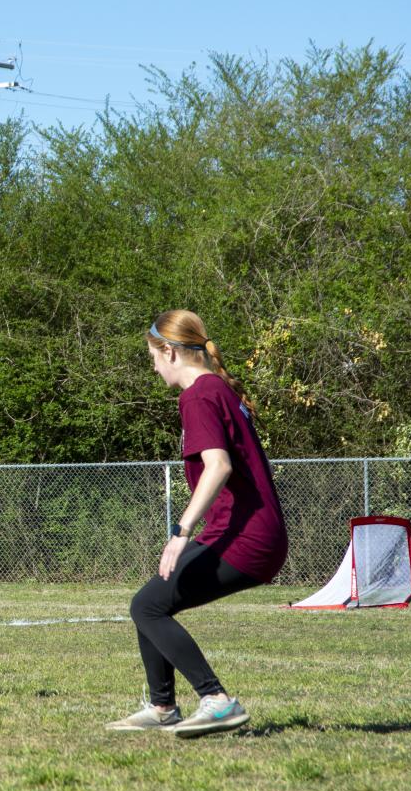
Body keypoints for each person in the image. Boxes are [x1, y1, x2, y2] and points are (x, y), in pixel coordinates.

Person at [106, 310, 287, 737]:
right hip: (256, 532)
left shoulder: (199, 395)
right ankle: (162, 705)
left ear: (169, 351)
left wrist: (180, 531)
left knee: (147, 606)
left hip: (247, 536)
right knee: (152, 600)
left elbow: (218, 466)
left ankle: (217, 700)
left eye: (152, 355)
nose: (151, 365)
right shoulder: (217, 389)